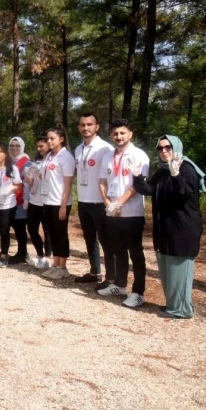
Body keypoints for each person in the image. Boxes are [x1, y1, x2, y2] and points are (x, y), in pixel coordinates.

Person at [133, 135, 204, 319]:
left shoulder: (186, 169)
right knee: (167, 270)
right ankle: (173, 305)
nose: (164, 151)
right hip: (165, 229)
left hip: (183, 230)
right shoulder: (164, 171)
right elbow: (150, 190)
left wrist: (176, 175)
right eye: (160, 148)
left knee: (179, 272)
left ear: (177, 148)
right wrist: (137, 177)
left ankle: (182, 309)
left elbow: (183, 194)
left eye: (168, 147)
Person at [97, 119, 150, 308]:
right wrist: (108, 203)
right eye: (115, 133)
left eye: (122, 133)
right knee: (118, 250)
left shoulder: (139, 155)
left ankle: (138, 292)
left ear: (130, 134)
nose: (118, 137)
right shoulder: (107, 156)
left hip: (132, 213)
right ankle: (119, 285)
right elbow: (102, 181)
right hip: (112, 212)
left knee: (135, 253)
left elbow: (138, 185)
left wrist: (119, 203)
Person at [74, 113, 115, 286]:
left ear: (97, 127)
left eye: (89, 124)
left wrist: (109, 200)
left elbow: (110, 176)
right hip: (84, 201)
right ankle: (94, 271)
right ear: (79, 127)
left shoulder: (105, 149)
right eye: (82, 124)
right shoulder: (78, 149)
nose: (86, 128)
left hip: (100, 202)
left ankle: (111, 277)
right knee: (90, 238)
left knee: (106, 240)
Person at [40, 126, 76, 280]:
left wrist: (63, 205)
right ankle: (55, 264)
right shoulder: (48, 156)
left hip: (60, 202)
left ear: (61, 139)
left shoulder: (66, 157)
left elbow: (68, 183)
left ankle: (63, 266)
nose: (49, 141)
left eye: (52, 138)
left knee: (61, 234)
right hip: (48, 200)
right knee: (51, 233)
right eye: (47, 138)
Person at [25, 136, 53, 269]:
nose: (39, 149)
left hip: (46, 202)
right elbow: (31, 183)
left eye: (41, 146)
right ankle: (40, 254)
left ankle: (48, 257)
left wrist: (43, 175)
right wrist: (28, 176)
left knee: (47, 230)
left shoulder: (52, 161)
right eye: (37, 146)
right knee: (31, 228)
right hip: (34, 200)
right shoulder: (35, 161)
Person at [8, 137, 32, 264]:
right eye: (12, 145)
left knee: (20, 227)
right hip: (9, 199)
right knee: (14, 225)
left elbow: (28, 182)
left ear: (22, 147)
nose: (14, 148)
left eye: (17, 146)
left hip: (21, 200)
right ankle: (22, 252)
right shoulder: (8, 161)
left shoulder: (26, 162)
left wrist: (26, 199)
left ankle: (23, 253)